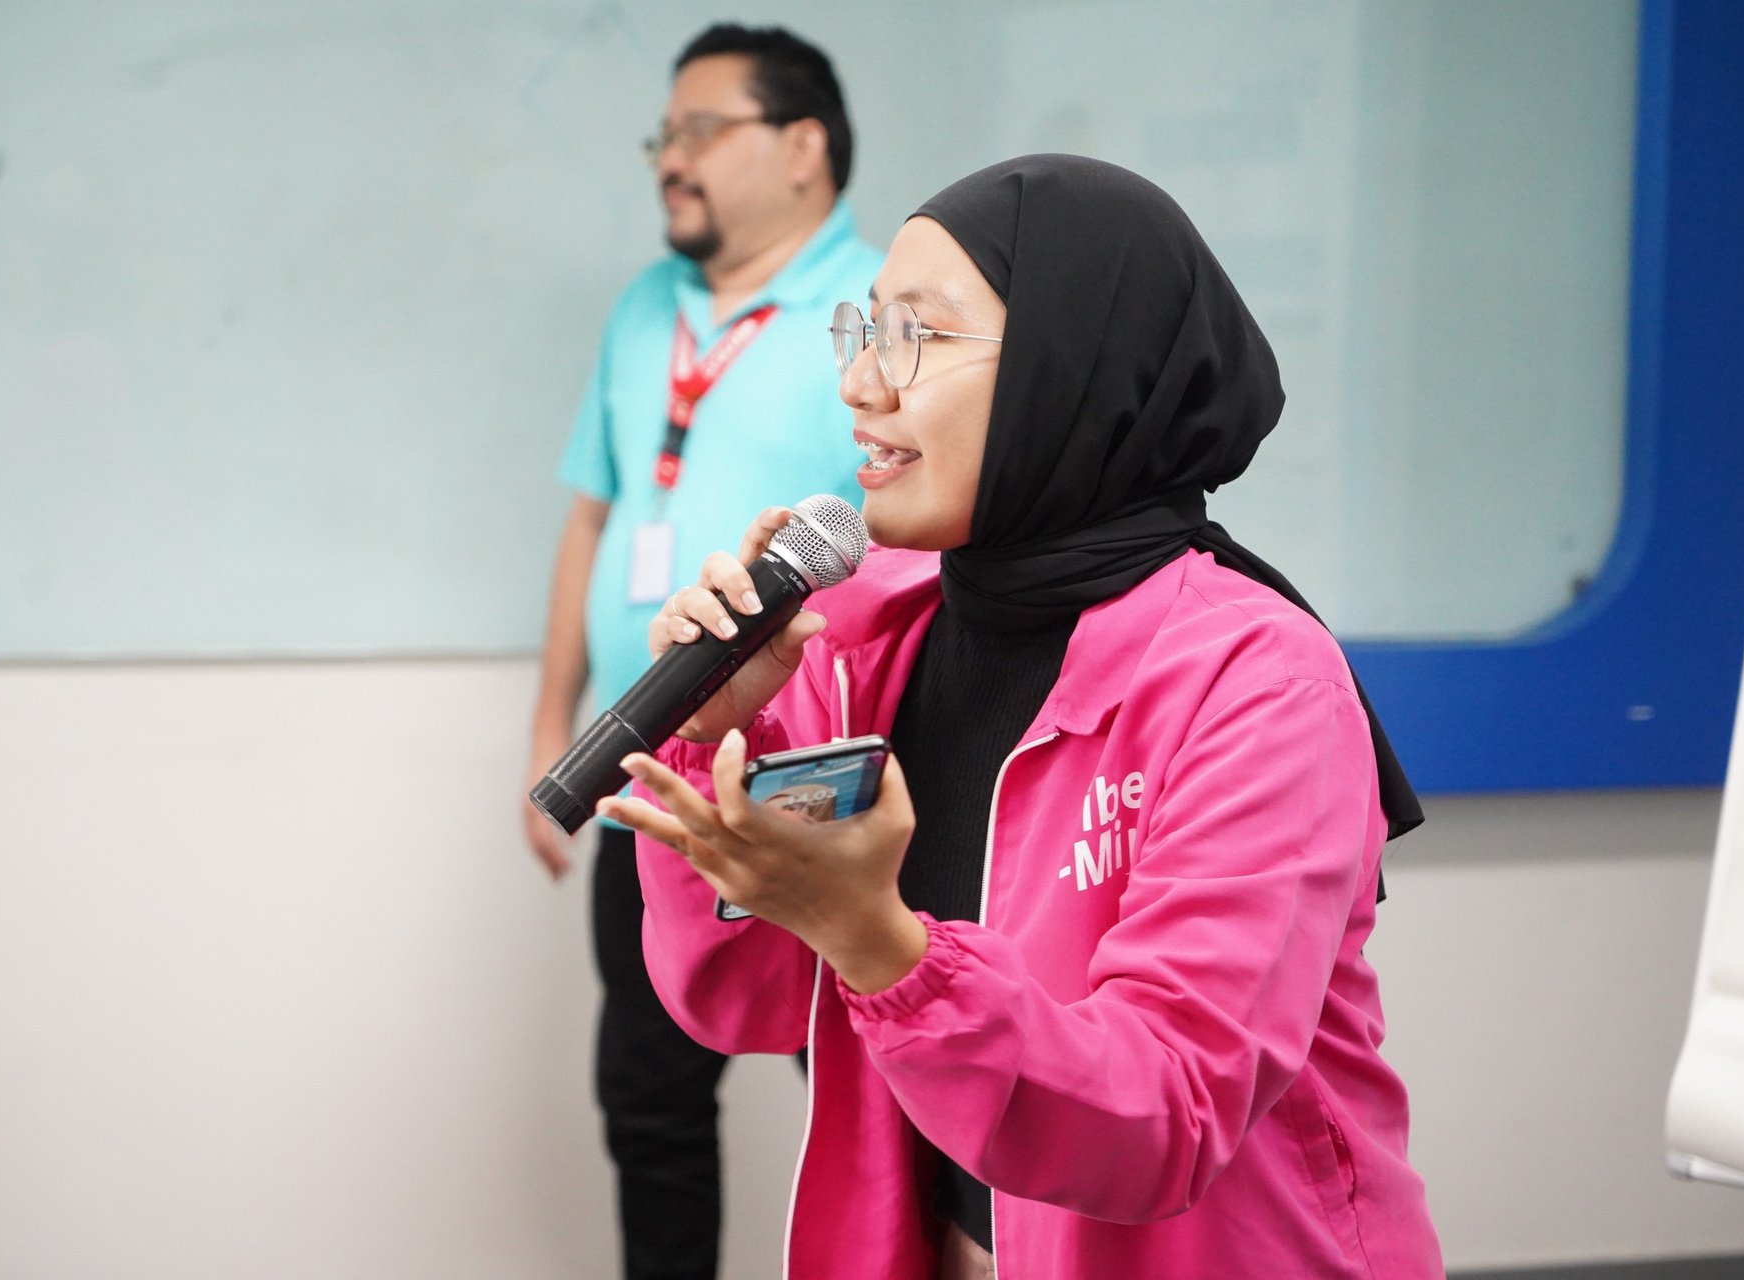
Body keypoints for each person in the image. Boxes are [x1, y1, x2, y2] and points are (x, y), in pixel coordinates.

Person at [597, 154, 1445, 1279]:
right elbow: (746, 1003)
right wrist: (715, 740)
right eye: (865, 331)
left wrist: (877, 940)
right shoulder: (865, 634)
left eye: (915, 335)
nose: (860, 384)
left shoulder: (1255, 680)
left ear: (1069, 367)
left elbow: (1167, 1114)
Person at [521, 24, 881, 1280]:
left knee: (866, 1083)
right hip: (652, 766)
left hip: (825, 780)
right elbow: (595, 515)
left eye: (700, 131)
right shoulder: (643, 310)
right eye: (664, 137)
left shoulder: (879, 312)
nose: (671, 159)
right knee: (650, 1092)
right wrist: (552, 730)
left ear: (802, 146)